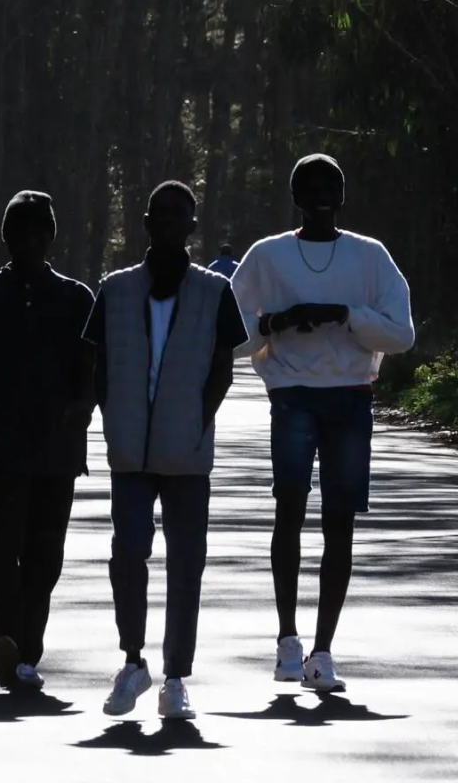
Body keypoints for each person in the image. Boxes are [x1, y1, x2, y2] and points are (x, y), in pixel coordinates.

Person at [231, 153, 415, 693]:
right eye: (309, 188)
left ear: (342, 194)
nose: (320, 196)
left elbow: (402, 334)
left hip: (351, 397)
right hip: (292, 396)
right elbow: (227, 328)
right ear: (294, 197)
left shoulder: (369, 256)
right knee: (289, 510)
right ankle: (288, 641)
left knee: (340, 522)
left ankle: (324, 650)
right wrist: (274, 322)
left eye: (329, 186)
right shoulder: (266, 255)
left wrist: (345, 315)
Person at [81, 181, 246, 721]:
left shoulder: (215, 291)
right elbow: (99, 365)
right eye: (161, 213)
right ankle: (133, 661)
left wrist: (197, 422)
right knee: (128, 554)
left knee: (186, 563)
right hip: (129, 452)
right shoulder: (115, 288)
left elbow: (223, 368)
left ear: (192, 226)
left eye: (181, 214)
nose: (170, 222)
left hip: (187, 453)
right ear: (147, 221)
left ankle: (175, 677)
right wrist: (111, 419)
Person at [0, 191, 95, 692]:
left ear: (52, 236)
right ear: (5, 237)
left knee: (45, 555)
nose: (29, 242)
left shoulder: (77, 298)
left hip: (57, 451)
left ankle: (27, 650)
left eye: (38, 232)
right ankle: (4, 639)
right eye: (19, 232)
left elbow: (93, 372)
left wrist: (85, 406)